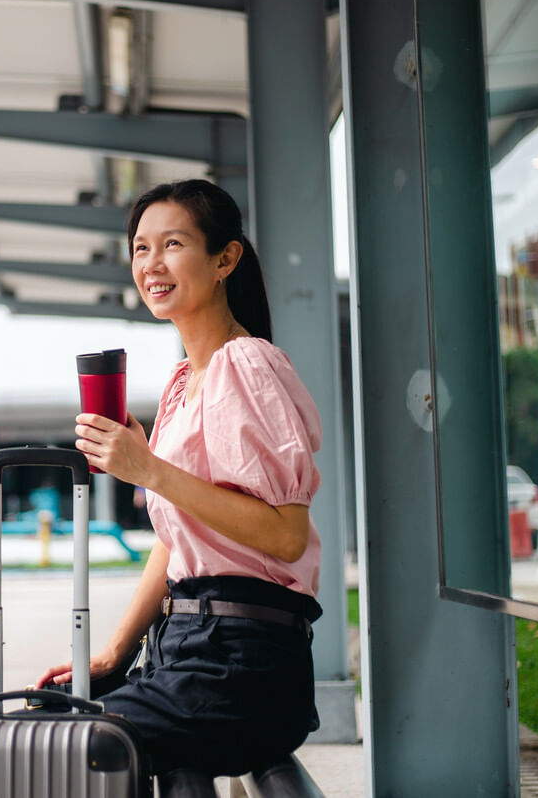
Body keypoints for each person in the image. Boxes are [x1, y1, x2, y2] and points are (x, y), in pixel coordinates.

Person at [35, 179, 324, 781]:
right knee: (42, 723)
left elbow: (286, 536)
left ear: (225, 259)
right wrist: (116, 651)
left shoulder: (247, 365)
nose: (152, 264)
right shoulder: (180, 384)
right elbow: (176, 539)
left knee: (50, 748)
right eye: (141, 248)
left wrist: (148, 469)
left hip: (242, 663)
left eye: (172, 244)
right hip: (184, 650)